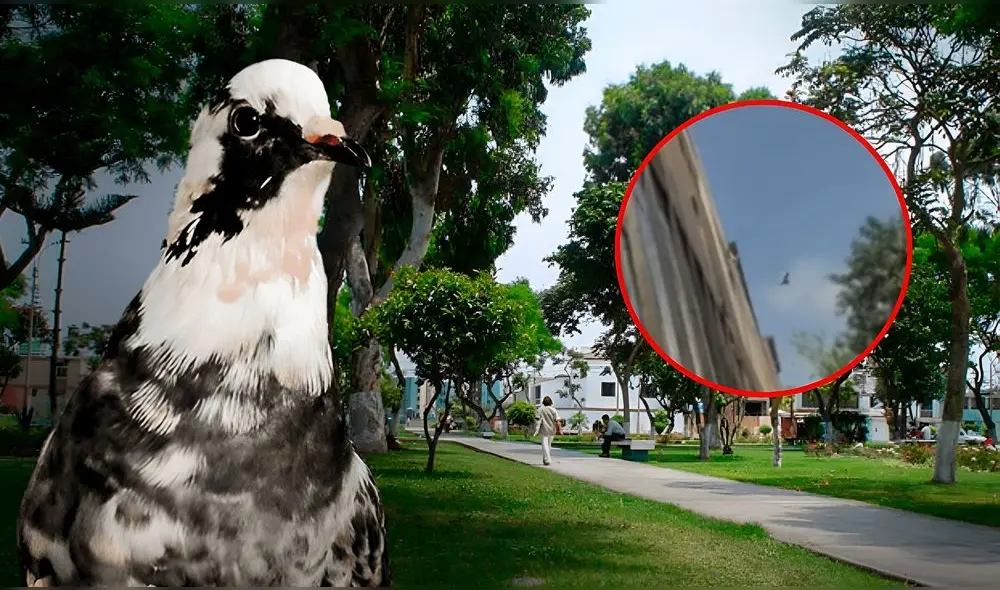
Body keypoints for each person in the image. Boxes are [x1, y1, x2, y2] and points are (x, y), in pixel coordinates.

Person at [533, 396, 560, 466]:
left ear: (543, 402)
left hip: (543, 430)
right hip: (551, 430)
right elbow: (557, 421)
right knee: (548, 445)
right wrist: (559, 429)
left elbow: (537, 420)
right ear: (551, 402)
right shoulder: (554, 410)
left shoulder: (540, 409)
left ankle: (547, 458)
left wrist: (535, 429)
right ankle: (546, 459)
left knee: (544, 445)